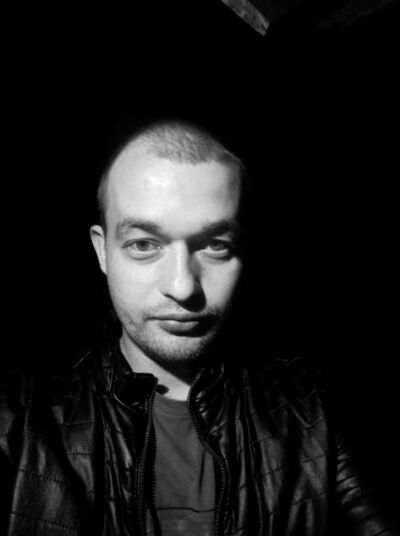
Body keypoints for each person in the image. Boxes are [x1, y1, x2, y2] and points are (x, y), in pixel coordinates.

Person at [0, 119, 398, 536]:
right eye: (144, 244)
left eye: (214, 245)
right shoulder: (18, 415)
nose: (182, 287)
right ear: (102, 251)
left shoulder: (312, 411)